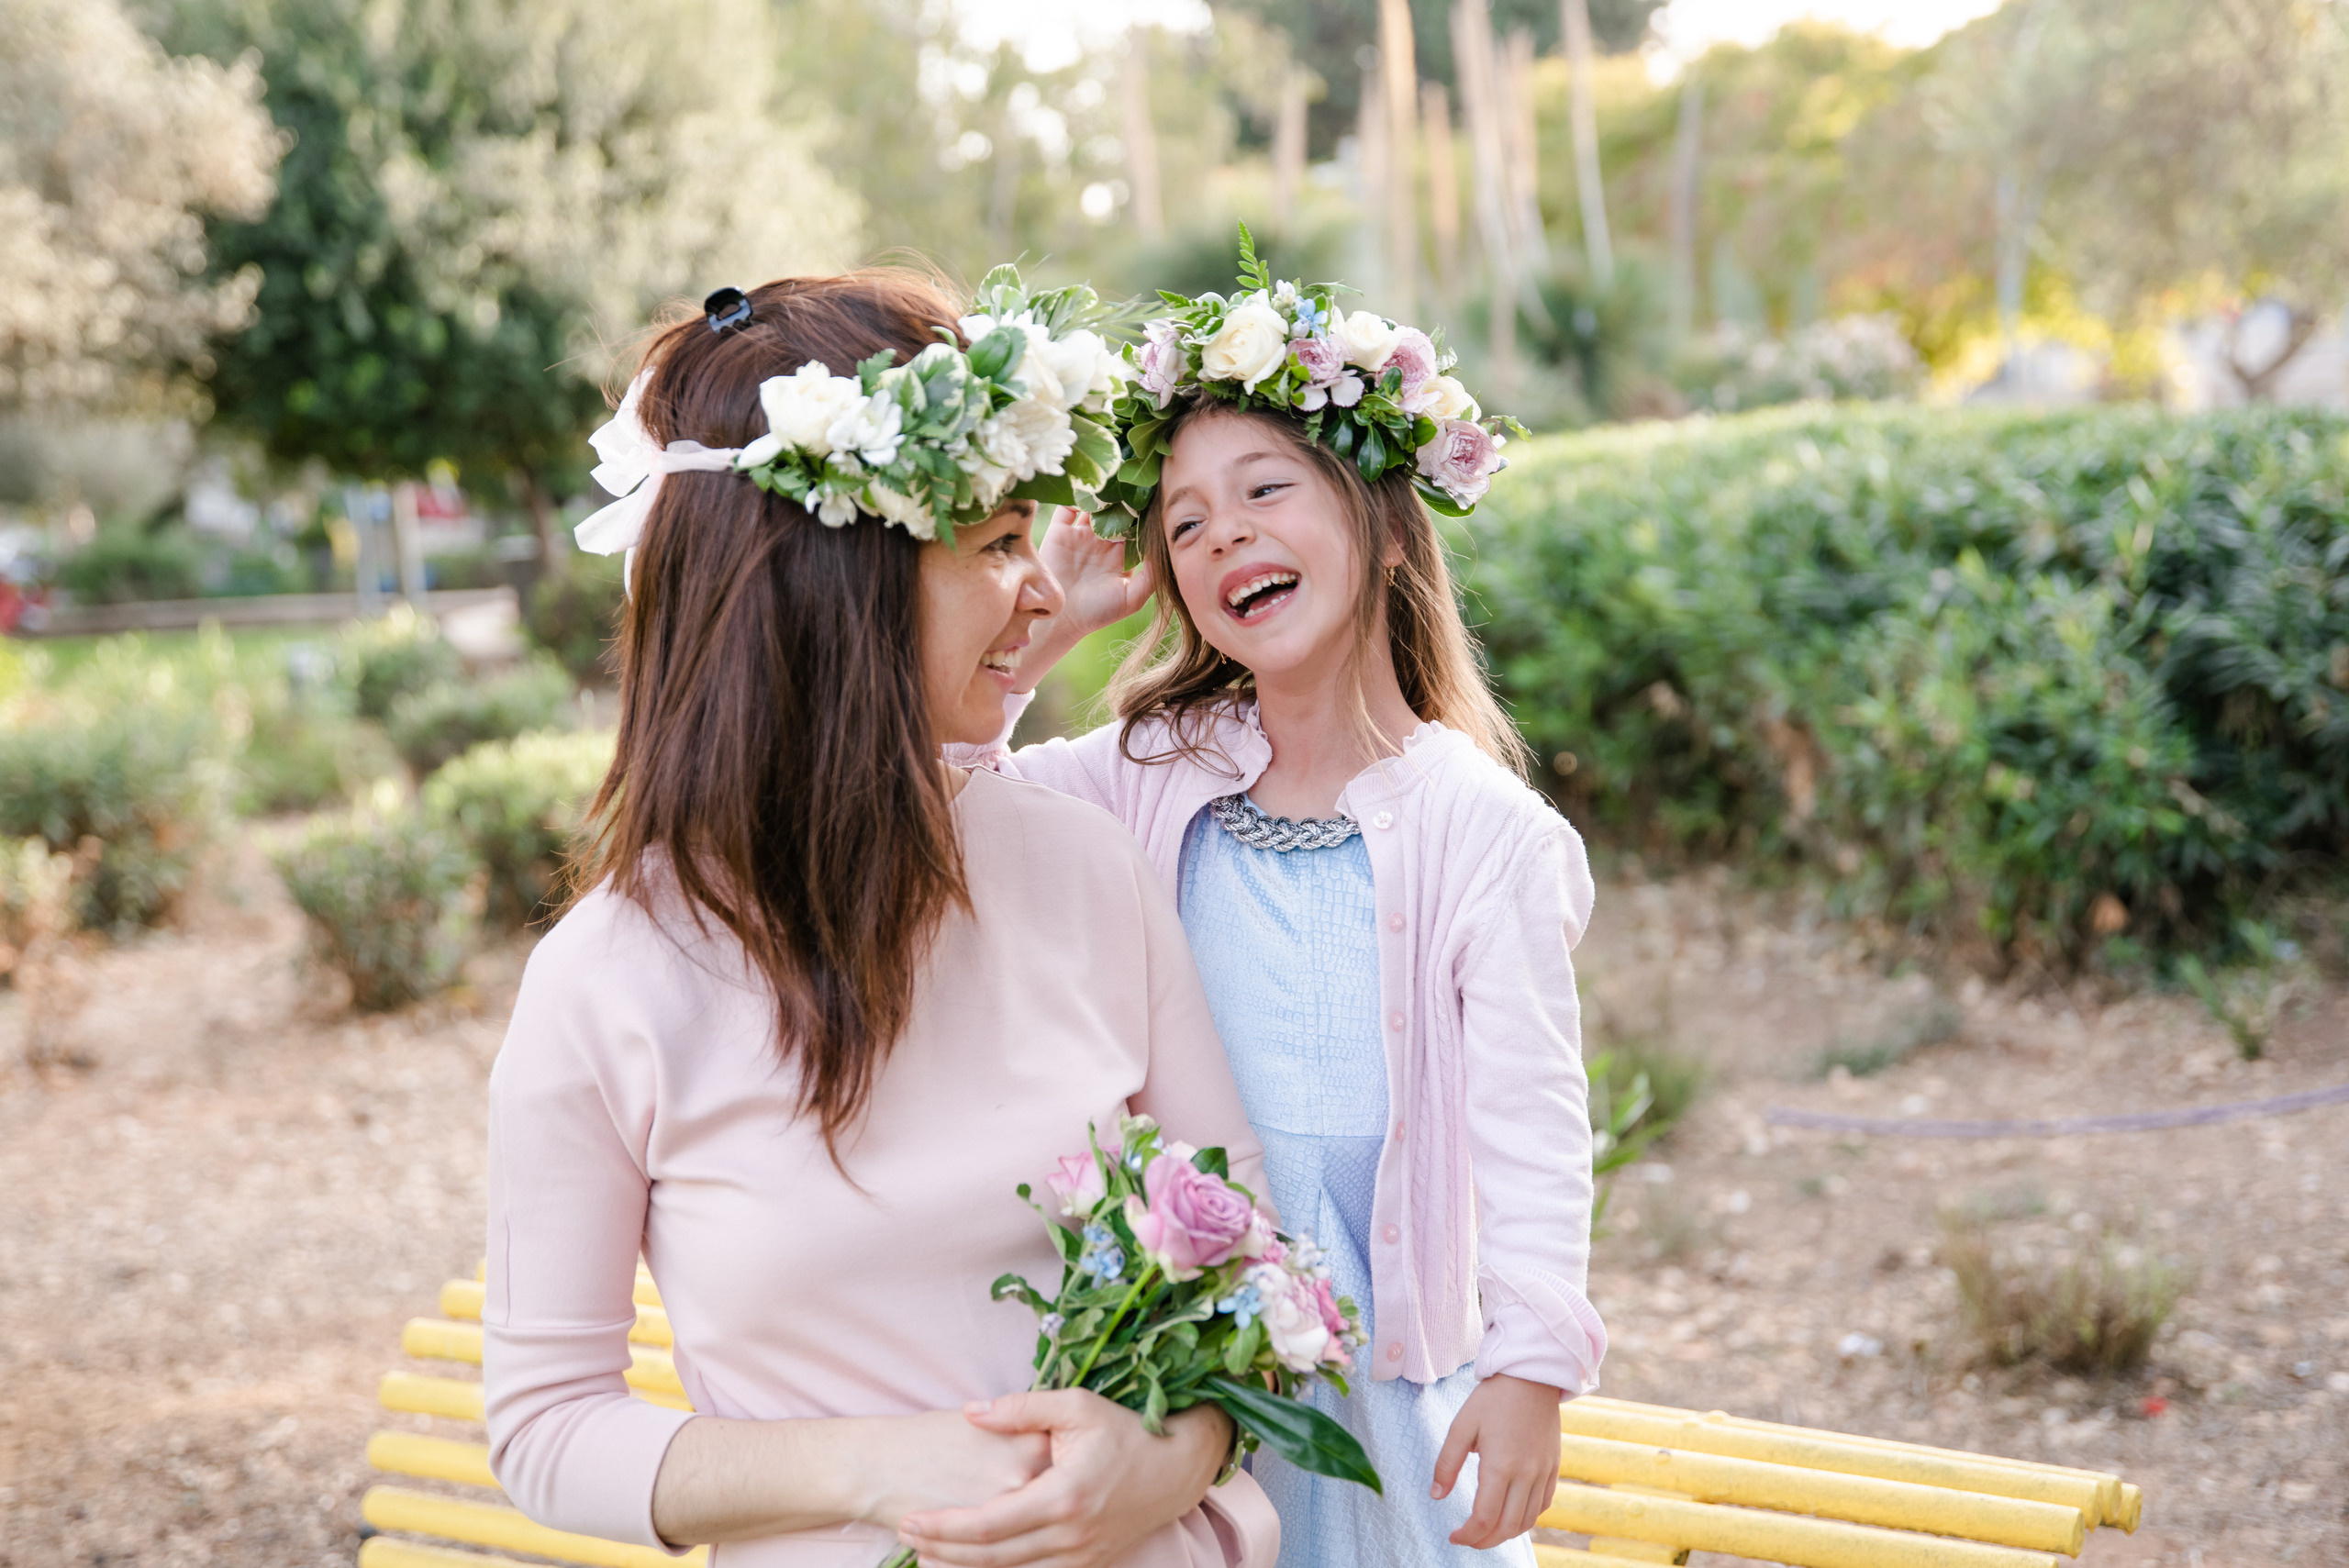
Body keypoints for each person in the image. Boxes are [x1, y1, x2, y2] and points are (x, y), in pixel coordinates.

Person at [481, 270, 1281, 1568]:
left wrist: (1169, 1454)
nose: (1043, 590)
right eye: (995, 545)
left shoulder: (1084, 869)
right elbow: (547, 1426)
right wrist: (882, 1465)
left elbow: (1244, 1252)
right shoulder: (609, 980)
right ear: (835, 585)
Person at [958, 263, 1604, 1566]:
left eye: (1264, 491)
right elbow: (959, 797)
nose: (1223, 538)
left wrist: (1533, 1364)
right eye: (1184, 524)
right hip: (1179, 1356)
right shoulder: (1150, 765)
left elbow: (1533, 1126)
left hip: (1378, 1369)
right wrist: (1055, 632)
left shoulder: (1484, 833)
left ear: (1376, 515)